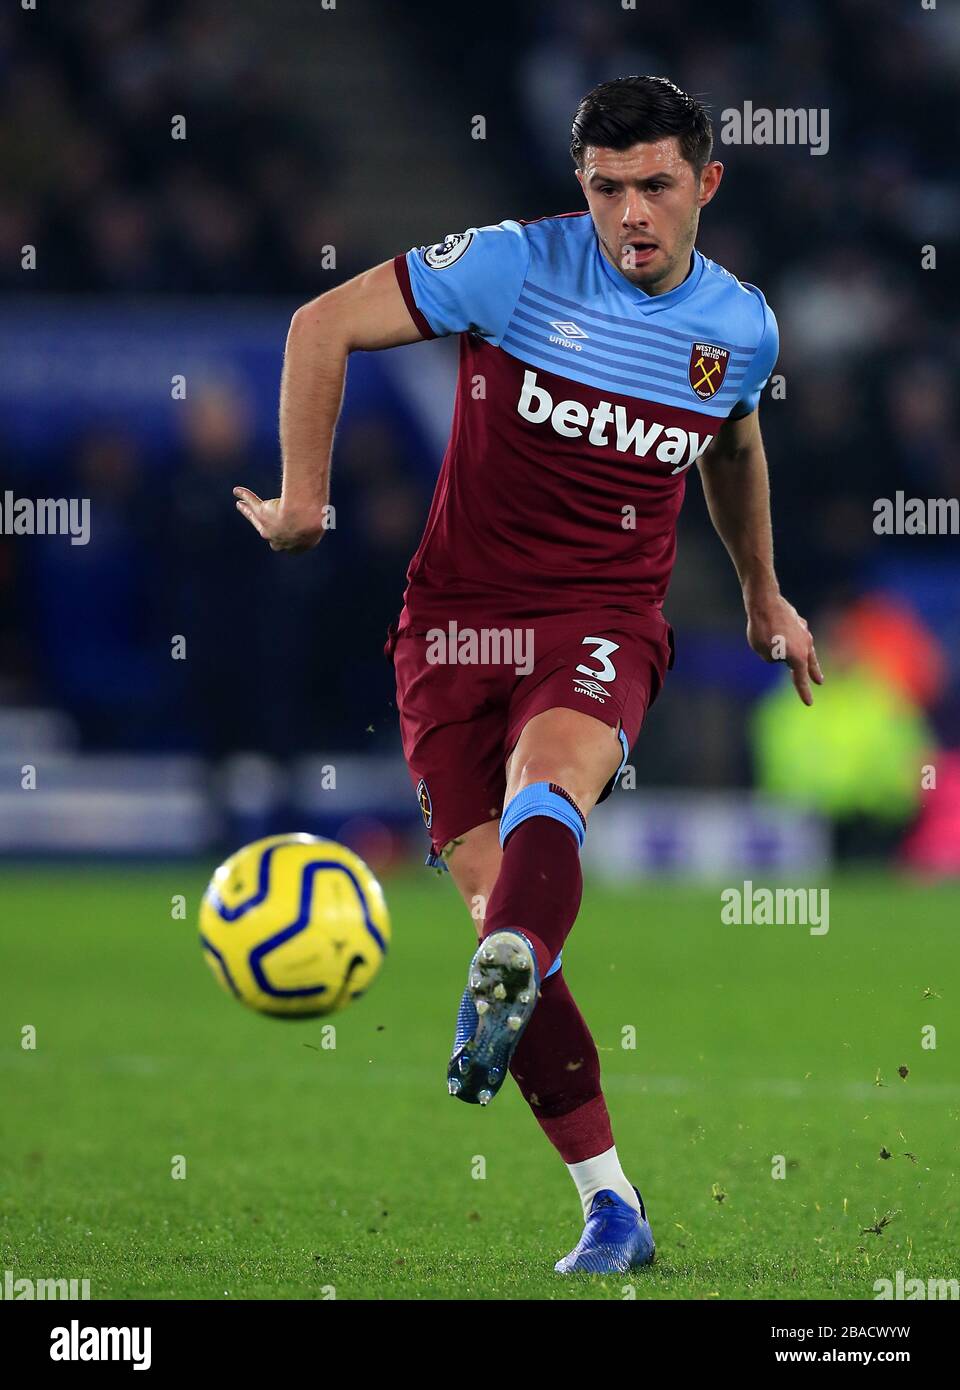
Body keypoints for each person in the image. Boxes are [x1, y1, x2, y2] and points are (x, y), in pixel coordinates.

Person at [234, 75, 823, 1275]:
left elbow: (736, 443)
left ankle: (516, 957)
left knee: (555, 776)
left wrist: (762, 590)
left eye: (657, 187)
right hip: (450, 629)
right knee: (501, 907)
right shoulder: (508, 266)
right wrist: (304, 499)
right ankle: (612, 1202)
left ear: (706, 183)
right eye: (607, 190)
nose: (632, 217)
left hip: (603, 614)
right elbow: (318, 325)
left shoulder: (741, 328)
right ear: (581, 189)